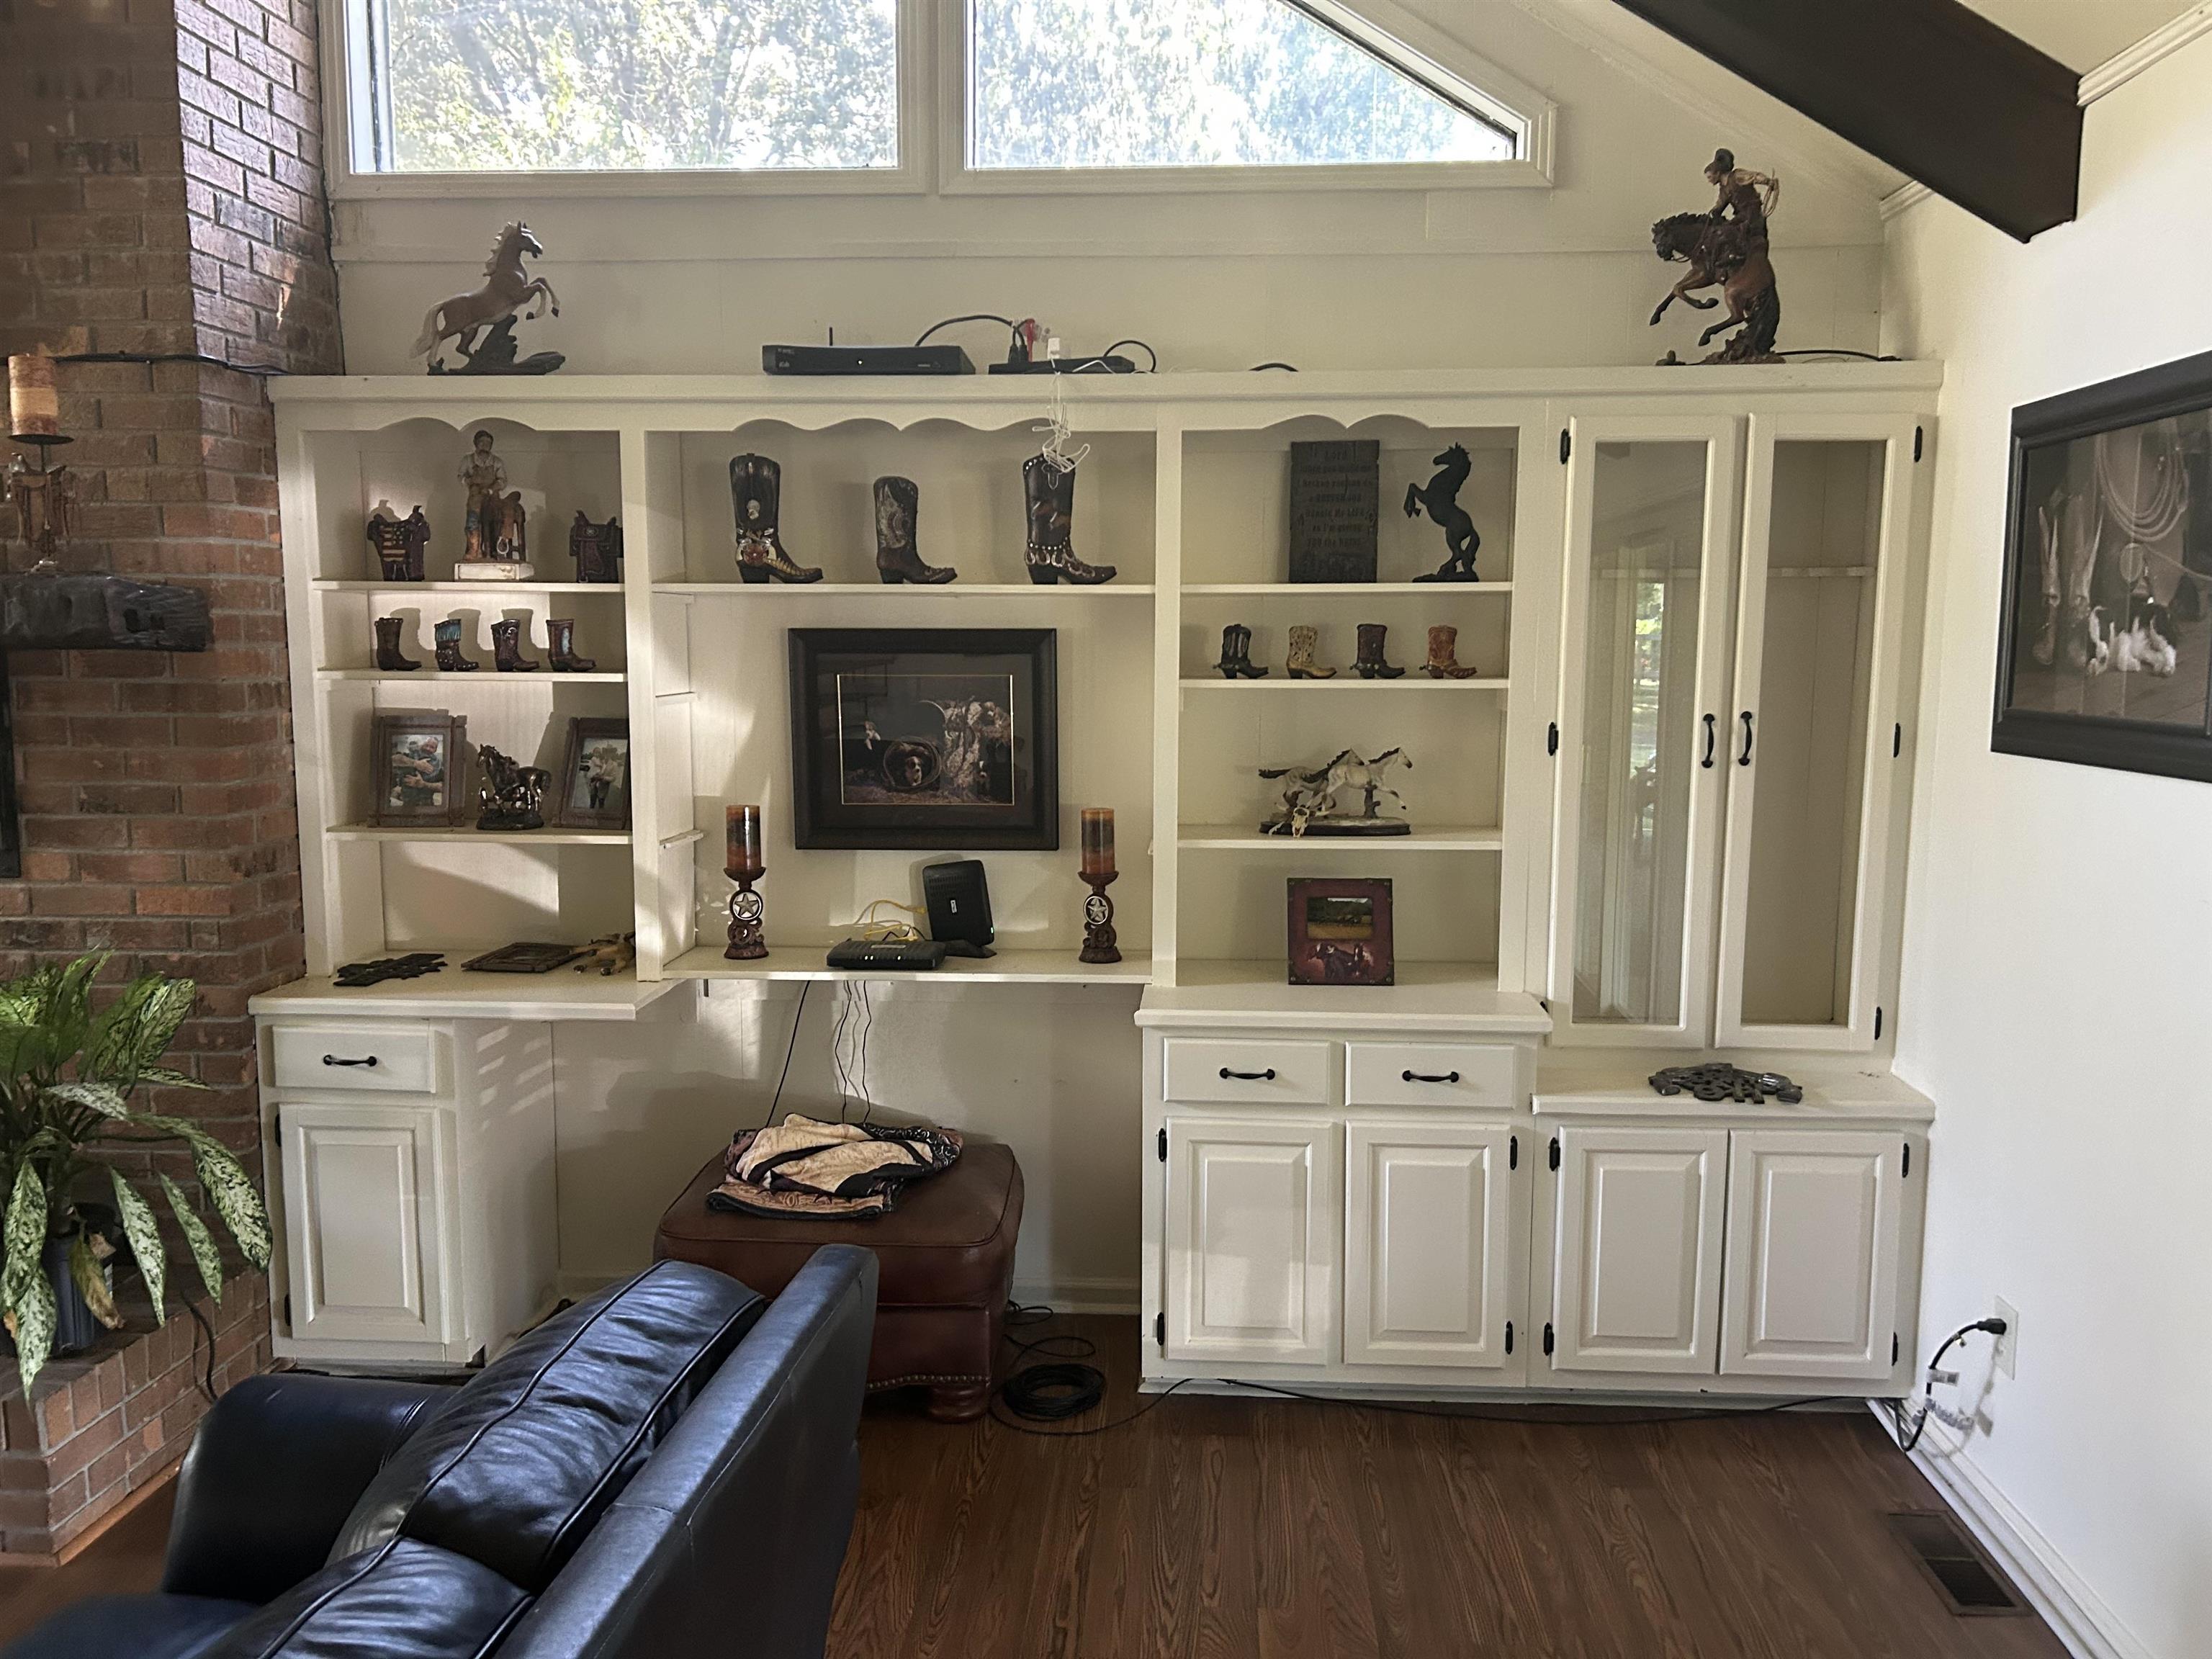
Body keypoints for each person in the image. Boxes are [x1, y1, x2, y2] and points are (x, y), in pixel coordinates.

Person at [1705, 148, 1781, 268]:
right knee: (1720, 230)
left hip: (1751, 214)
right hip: (1741, 215)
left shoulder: (1736, 176)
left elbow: (1754, 176)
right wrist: (1714, 212)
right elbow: (1720, 203)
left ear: (1718, 173)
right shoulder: (1723, 188)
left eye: (1709, 177)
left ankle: (1737, 255)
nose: (1709, 181)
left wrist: (1767, 181)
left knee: (1727, 230)